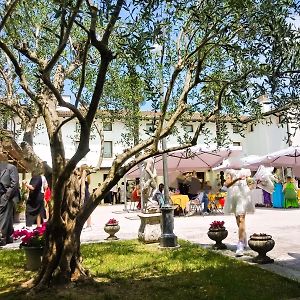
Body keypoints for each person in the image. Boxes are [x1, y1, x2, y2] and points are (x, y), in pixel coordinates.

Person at [223, 168, 254, 257]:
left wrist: (250, 187)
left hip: (243, 195)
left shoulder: (246, 170)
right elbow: (227, 184)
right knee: (238, 219)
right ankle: (243, 235)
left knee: (241, 218)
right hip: (233, 196)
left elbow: (250, 182)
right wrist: (237, 179)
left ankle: (240, 244)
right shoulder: (230, 171)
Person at [0, 161, 20, 246]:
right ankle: (9, 237)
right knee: (7, 216)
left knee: (3, 216)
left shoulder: (11, 168)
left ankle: (1, 238)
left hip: (8, 195)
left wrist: (6, 196)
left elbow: (14, 183)